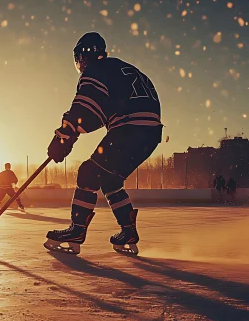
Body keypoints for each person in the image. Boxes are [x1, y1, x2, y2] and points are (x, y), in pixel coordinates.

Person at [44, 32, 163, 255]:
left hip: (130, 128)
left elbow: (85, 109)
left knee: (88, 173)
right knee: (110, 180)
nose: (79, 64)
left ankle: (76, 230)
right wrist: (71, 134)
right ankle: (128, 231)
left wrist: (64, 137)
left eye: (79, 58)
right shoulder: (123, 69)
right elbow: (97, 115)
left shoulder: (96, 69)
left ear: (83, 56)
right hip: (150, 134)